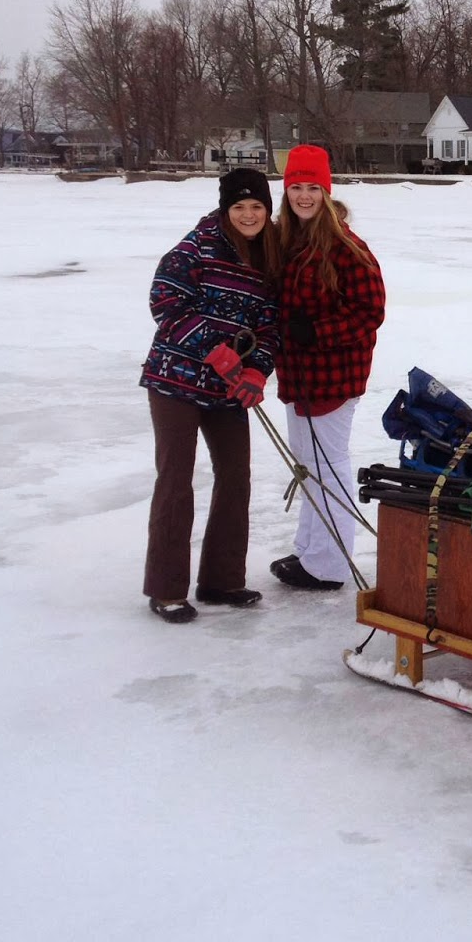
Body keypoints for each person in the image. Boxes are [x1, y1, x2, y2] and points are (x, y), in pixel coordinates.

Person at [139, 169, 281, 622]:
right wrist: (214, 350)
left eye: (256, 206)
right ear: (226, 210)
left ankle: (221, 581)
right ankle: (166, 589)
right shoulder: (195, 247)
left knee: (236, 476)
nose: (248, 214)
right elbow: (166, 303)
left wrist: (257, 370)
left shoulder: (267, 257)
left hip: (228, 387)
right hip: (175, 382)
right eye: (239, 207)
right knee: (176, 480)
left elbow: (268, 323)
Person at [271, 144, 386, 591]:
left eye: (312, 188)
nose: (304, 196)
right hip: (298, 376)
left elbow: (369, 310)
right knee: (308, 465)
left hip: (332, 377)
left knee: (328, 467)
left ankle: (331, 565)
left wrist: (315, 333)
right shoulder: (286, 238)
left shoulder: (344, 246)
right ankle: (311, 551)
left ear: (325, 191)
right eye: (296, 187)